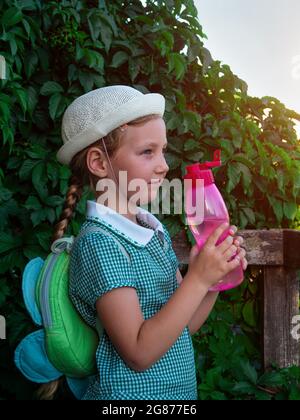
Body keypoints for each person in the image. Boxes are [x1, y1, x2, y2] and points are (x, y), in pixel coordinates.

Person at [43, 85, 247, 400]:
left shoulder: (154, 231)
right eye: (147, 151)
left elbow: (181, 328)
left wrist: (211, 281)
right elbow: (138, 351)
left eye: (163, 150)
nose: (164, 164)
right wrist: (197, 278)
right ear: (98, 163)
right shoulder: (100, 243)